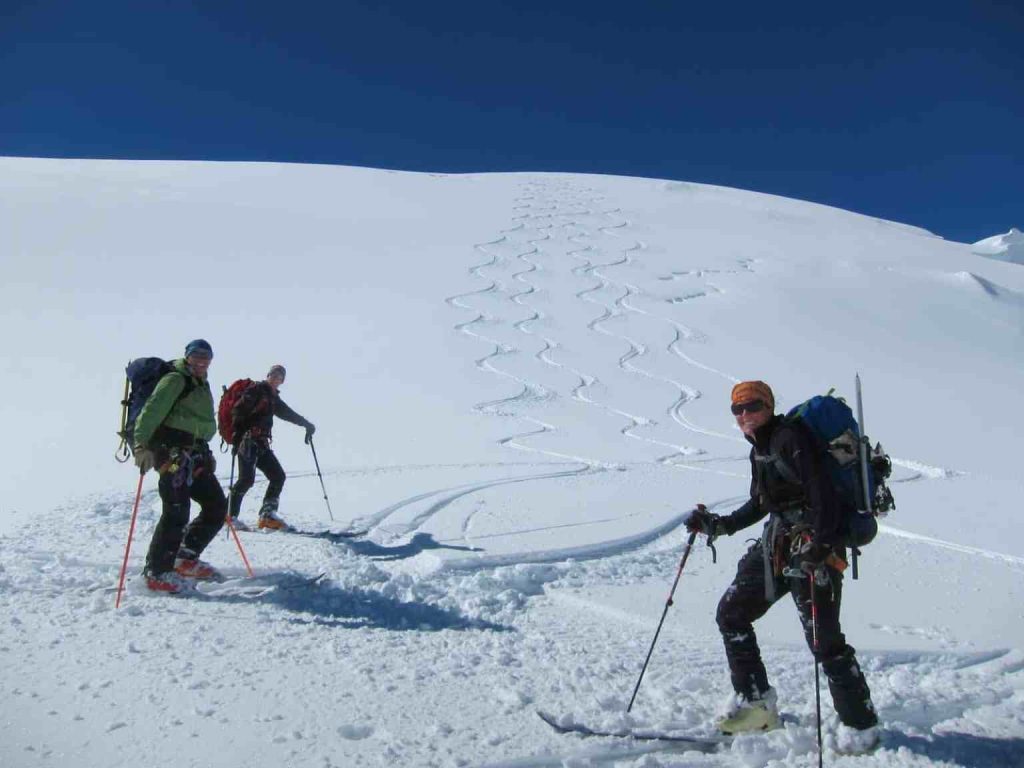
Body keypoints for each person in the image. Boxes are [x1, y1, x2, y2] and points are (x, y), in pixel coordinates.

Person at [686, 380, 878, 749]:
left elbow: (823, 495)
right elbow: (761, 502)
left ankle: (861, 726)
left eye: (753, 406)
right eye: (737, 409)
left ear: (769, 406)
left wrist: (820, 546)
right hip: (778, 544)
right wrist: (720, 525)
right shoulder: (760, 448)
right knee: (732, 614)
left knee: (824, 642)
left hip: (812, 547)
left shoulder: (790, 438)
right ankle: (757, 706)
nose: (745, 415)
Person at [133, 339, 226, 593]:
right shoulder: (175, 380)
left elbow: (198, 423)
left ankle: (185, 557)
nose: (202, 360)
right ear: (187, 356)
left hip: (196, 454)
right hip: (172, 453)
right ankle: (157, 572)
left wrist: (206, 451)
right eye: (197, 355)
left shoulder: (201, 383)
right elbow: (151, 412)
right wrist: (140, 446)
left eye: (206, 356)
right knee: (176, 511)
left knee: (217, 506)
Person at [227, 364, 315, 531]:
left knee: (277, 476)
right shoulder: (256, 390)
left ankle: (267, 516)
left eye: (279, 377)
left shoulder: (273, 397)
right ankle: (228, 515)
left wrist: (306, 424)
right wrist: (237, 436)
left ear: (282, 381)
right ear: (268, 376)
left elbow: (288, 413)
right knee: (246, 479)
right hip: (247, 441)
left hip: (261, 443)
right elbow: (238, 410)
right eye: (274, 375)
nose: (276, 378)